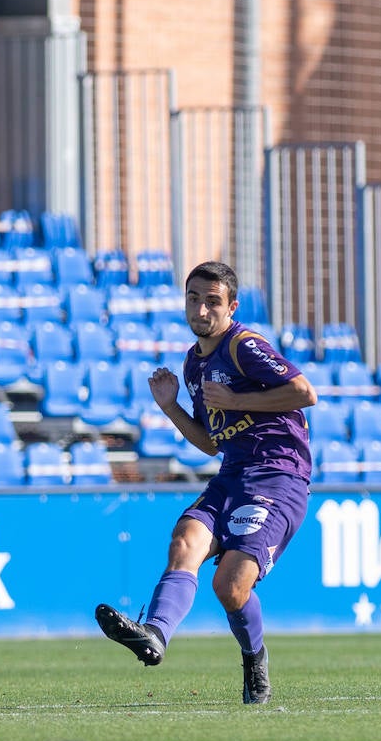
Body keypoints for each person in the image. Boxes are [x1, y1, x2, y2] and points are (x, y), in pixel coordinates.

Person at [95, 261, 317, 703]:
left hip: (276, 475)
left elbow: (304, 392)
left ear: (232, 306)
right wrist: (170, 407)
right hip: (232, 472)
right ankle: (154, 635)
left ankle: (255, 659)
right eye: (194, 298)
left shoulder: (244, 346)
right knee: (183, 543)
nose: (201, 308)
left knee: (230, 587)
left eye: (212, 301)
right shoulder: (194, 364)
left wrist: (238, 398)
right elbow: (211, 443)